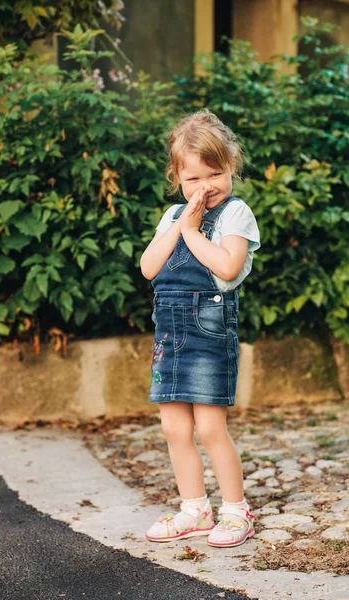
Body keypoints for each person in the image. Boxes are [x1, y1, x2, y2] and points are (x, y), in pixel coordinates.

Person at [140, 108, 260, 548]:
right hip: (169, 335)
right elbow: (149, 267)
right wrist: (179, 227)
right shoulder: (173, 217)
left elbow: (227, 269)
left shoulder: (235, 213)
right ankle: (194, 508)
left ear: (230, 168)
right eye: (193, 179)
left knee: (210, 429)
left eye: (215, 175)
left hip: (209, 332)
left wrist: (192, 234)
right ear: (177, 178)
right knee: (174, 429)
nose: (205, 188)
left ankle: (235, 510)